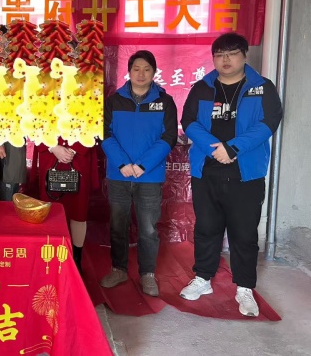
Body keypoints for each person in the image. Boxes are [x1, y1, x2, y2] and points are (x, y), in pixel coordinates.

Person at [179, 33, 282, 317]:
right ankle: (203, 278)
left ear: (244, 55)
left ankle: (244, 287)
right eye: (219, 55)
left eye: (232, 53)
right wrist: (215, 148)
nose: (225, 60)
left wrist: (234, 148)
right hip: (207, 170)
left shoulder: (262, 88)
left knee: (244, 233)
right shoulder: (202, 87)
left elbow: (269, 122)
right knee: (206, 228)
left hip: (245, 173)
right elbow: (189, 121)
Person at [100, 50, 178, 296]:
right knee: (118, 225)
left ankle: (147, 274)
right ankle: (119, 269)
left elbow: (169, 137)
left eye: (146, 69)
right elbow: (104, 134)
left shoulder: (164, 102)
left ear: (154, 72)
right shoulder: (114, 101)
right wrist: (122, 163)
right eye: (136, 69)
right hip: (119, 174)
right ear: (129, 72)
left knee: (148, 229)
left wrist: (143, 165)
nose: (141, 74)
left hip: (149, 176)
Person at [36, 140, 98, 273]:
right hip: (50, 155)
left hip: (78, 157)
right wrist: (53, 147)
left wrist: (73, 150)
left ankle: (76, 260)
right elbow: (33, 128)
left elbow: (94, 128)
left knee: (78, 211)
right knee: (50, 211)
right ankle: (50, 257)